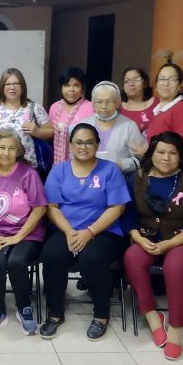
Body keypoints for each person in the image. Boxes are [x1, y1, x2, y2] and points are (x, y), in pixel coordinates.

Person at [123, 131, 183, 360]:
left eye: (173, 153)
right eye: (161, 152)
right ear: (151, 153)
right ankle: (153, 317)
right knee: (132, 257)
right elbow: (128, 216)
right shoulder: (138, 178)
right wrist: (139, 238)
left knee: (175, 265)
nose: (166, 157)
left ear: (180, 156)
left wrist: (171, 244)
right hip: (150, 238)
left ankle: (176, 330)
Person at [40, 123, 130, 341]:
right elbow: (52, 207)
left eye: (89, 142)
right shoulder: (59, 170)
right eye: (78, 142)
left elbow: (117, 207)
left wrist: (89, 232)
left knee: (93, 257)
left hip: (103, 231)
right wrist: (70, 232)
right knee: (52, 254)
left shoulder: (110, 170)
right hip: (66, 229)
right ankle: (55, 313)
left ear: (97, 144)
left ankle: (101, 315)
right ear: (70, 144)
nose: (84, 146)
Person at [0, 130, 47, 336]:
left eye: (12, 148)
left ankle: (24, 307)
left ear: (19, 151)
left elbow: (40, 208)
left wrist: (17, 237)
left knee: (16, 262)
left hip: (26, 234)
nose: (6, 153)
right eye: (2, 147)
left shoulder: (28, 174)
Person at [0, 68, 54, 168]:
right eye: (8, 84)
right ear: (2, 87)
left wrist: (37, 132)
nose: (12, 87)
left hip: (26, 167)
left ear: (22, 87)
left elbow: (51, 131)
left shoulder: (33, 108)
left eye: (16, 83)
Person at [82, 81, 144, 174]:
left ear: (118, 103)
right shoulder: (83, 124)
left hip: (118, 178)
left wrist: (122, 165)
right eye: (99, 102)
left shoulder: (129, 126)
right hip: (86, 177)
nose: (104, 106)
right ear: (93, 104)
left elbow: (139, 158)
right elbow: (73, 153)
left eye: (109, 102)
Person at [145, 63, 183, 152]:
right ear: (156, 83)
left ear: (179, 85)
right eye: (162, 79)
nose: (166, 83)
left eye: (172, 79)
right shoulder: (158, 108)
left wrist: (146, 152)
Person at [49, 67, 94, 165]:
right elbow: (50, 133)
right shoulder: (54, 108)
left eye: (76, 85)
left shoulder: (91, 107)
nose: (71, 90)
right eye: (67, 85)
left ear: (82, 88)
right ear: (61, 88)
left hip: (84, 160)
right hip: (59, 161)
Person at [119, 67, 157, 135]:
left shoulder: (156, 103)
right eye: (127, 81)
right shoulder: (117, 107)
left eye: (136, 79)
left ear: (145, 83)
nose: (131, 84)